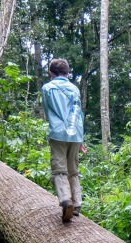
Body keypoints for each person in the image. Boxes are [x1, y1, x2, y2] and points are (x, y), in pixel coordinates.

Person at [42, 59, 85, 222]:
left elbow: (47, 110)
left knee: (59, 168)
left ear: (51, 73)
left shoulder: (47, 88)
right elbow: (78, 113)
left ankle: (66, 199)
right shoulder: (74, 89)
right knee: (73, 169)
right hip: (75, 132)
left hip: (58, 132)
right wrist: (80, 138)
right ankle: (77, 203)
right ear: (67, 73)